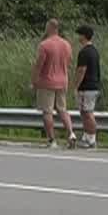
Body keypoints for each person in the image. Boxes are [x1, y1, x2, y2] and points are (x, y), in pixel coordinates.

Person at [32, 18, 75, 148]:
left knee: (47, 111)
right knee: (62, 109)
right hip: (62, 81)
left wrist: (34, 81)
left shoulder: (44, 45)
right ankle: (71, 134)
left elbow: (39, 64)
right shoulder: (66, 44)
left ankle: (52, 140)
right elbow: (69, 62)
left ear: (50, 28)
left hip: (47, 82)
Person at [72, 24, 102, 149]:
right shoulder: (94, 51)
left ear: (84, 36)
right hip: (94, 85)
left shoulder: (84, 52)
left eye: (79, 35)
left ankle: (91, 138)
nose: (78, 37)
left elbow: (81, 71)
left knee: (87, 113)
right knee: (85, 112)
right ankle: (86, 136)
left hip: (87, 87)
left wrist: (75, 86)